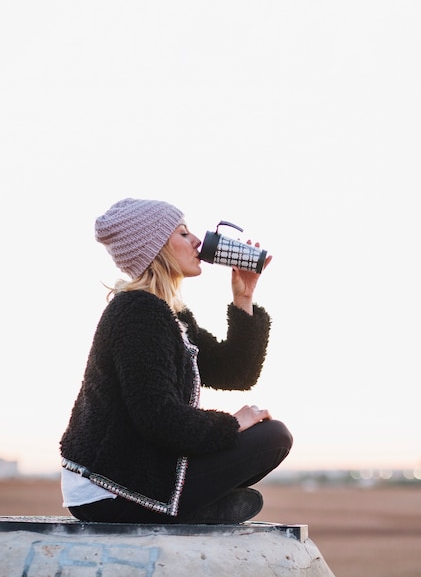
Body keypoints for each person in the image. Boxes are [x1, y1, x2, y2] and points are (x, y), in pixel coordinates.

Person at [60, 198, 293, 524]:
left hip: (139, 470)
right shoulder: (137, 311)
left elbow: (236, 373)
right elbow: (158, 418)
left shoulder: (170, 314)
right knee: (272, 437)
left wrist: (244, 297)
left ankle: (196, 507)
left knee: (271, 437)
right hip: (109, 486)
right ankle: (193, 508)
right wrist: (233, 423)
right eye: (183, 233)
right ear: (155, 247)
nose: (198, 240)